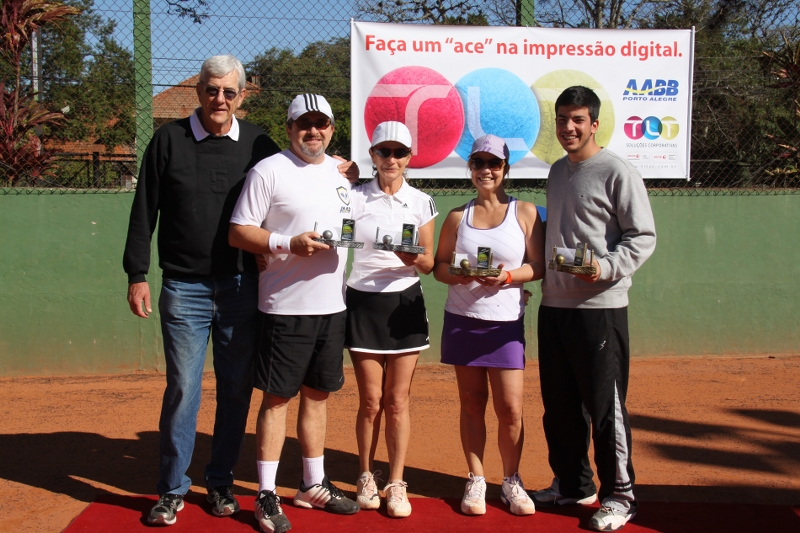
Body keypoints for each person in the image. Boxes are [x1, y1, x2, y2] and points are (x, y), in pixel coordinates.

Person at [123, 54, 282, 526]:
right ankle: (172, 489)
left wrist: (336, 169)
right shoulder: (168, 140)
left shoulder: (259, 143)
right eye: (212, 89)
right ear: (198, 91)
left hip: (241, 286)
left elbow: (293, 181)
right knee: (183, 389)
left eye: (229, 92)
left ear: (241, 95)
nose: (219, 99)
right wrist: (136, 273)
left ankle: (220, 482)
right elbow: (144, 210)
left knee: (235, 389)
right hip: (183, 287)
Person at [229, 94, 360, 533]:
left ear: (332, 129)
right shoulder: (268, 170)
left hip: (333, 305)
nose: (313, 131)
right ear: (288, 129)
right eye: (304, 124)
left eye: (321, 124)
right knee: (277, 399)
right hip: (285, 308)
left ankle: (312, 484)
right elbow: (238, 232)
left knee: (318, 396)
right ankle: (266, 493)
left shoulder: (342, 174)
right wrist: (287, 244)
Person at [530, 86, 656, 532]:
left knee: (605, 408)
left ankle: (620, 495)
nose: (569, 127)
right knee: (559, 405)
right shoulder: (557, 171)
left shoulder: (617, 170)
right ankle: (573, 484)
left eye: (578, 119)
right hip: (555, 304)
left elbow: (642, 237)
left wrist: (604, 268)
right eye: (563, 118)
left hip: (600, 307)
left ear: (594, 124)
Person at [433, 134, 545, 517]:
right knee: (471, 403)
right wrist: (460, 274)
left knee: (510, 408)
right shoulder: (456, 217)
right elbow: (440, 267)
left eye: (494, 163)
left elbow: (538, 266)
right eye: (478, 163)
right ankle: (477, 479)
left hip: (505, 327)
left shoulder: (524, 212)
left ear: (505, 169)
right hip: (463, 322)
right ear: (470, 168)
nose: (486, 170)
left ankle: (511, 480)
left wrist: (509, 277)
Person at [346, 121, 437, 518]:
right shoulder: (353, 196)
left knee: (397, 401)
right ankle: (366, 475)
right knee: (370, 401)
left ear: (409, 158)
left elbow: (429, 262)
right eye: (384, 151)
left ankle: (397, 482)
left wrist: (410, 256)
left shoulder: (421, 201)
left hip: (405, 303)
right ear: (373, 155)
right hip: (362, 302)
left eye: (399, 153)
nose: (391, 159)